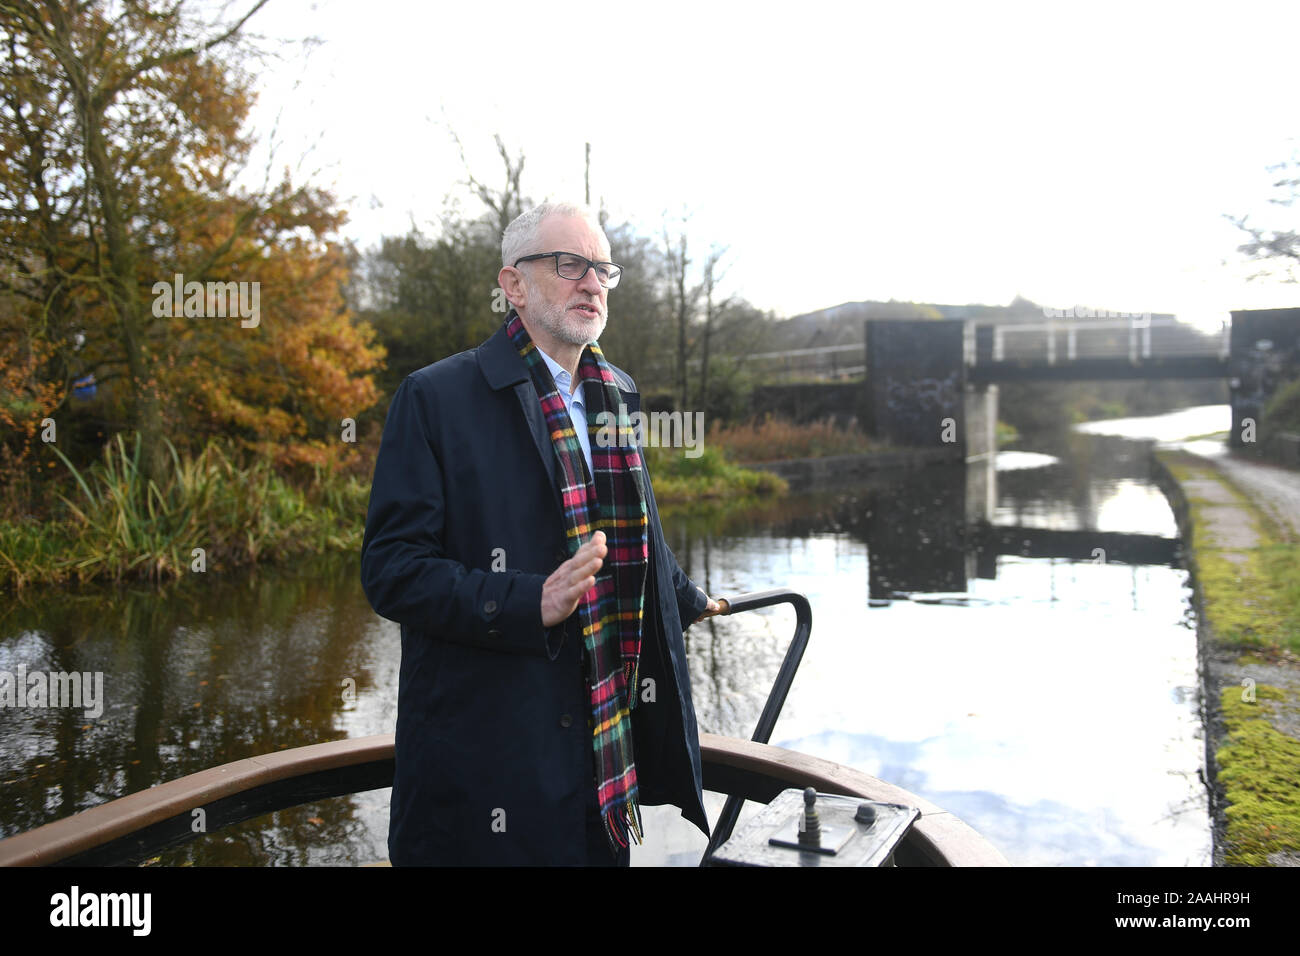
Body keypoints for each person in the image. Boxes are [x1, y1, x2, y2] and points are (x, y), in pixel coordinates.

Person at [360, 201, 719, 866]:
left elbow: (632, 535)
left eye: (602, 269)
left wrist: (692, 599)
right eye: (569, 264)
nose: (591, 282)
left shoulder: (618, 394)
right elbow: (391, 571)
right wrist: (530, 601)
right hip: (489, 769)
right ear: (514, 284)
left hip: (605, 759)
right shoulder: (436, 398)